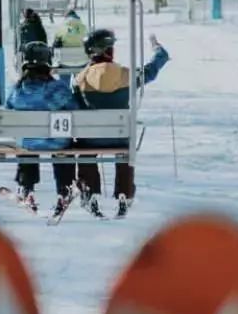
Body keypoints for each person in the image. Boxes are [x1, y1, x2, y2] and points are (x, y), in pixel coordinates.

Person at [72, 29, 169, 216]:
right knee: (125, 150)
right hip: (119, 137)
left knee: (83, 148)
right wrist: (160, 54)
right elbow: (150, 72)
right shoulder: (126, 75)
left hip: (90, 139)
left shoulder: (79, 79)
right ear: (108, 50)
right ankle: (124, 192)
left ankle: (89, 191)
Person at [4, 42, 78, 218]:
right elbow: (75, 108)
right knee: (62, 147)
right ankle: (64, 189)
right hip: (56, 141)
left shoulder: (17, 90)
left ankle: (26, 187)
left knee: (27, 141)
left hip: (28, 142)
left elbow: (8, 111)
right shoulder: (58, 88)